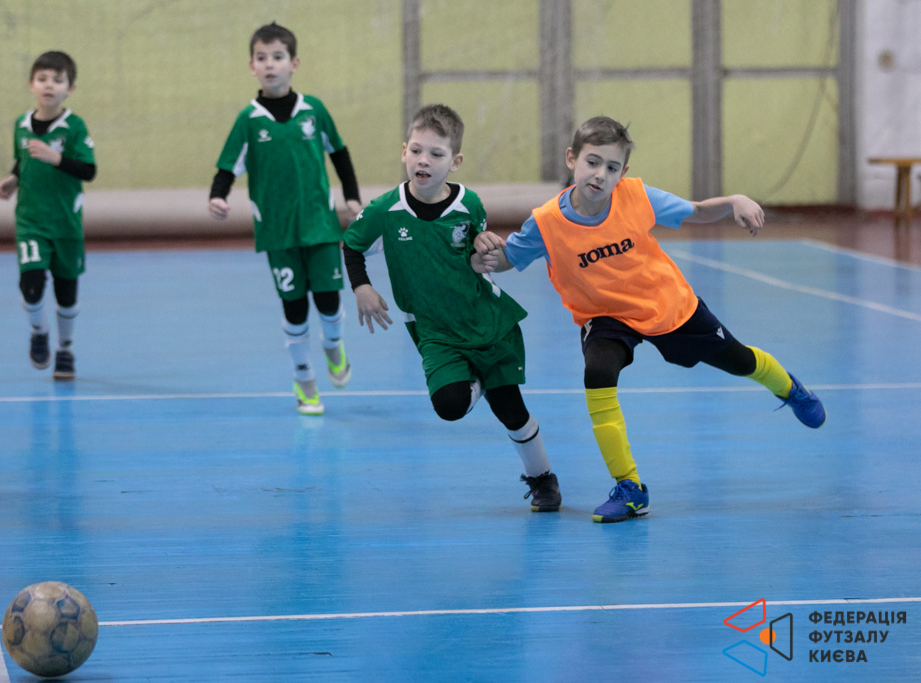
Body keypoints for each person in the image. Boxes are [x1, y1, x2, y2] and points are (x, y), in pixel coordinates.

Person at [474, 115, 825, 523]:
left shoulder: (638, 197)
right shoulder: (546, 222)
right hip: (605, 315)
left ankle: (790, 389)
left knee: (740, 360)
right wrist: (483, 254)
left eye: (611, 167)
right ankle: (630, 488)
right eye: (592, 162)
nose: (600, 174)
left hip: (666, 304)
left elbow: (697, 211)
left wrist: (734, 201)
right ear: (572, 159)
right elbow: (508, 259)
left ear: (623, 173)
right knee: (598, 373)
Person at [343, 104, 561, 512]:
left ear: (455, 162)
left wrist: (483, 247)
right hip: (434, 331)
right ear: (404, 152)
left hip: (484, 321)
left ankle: (543, 479)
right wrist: (362, 287)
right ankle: (478, 381)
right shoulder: (383, 211)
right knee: (449, 406)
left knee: (511, 410)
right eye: (416, 150)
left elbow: (479, 255)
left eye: (436, 153)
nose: (423, 160)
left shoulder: (469, 204)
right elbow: (351, 246)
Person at [209, 22, 361, 415]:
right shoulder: (249, 120)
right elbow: (228, 165)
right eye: (261, 58)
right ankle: (304, 380)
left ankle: (333, 345)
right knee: (294, 307)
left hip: (320, 225)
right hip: (278, 232)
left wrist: (352, 197)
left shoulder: (314, 111)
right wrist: (218, 195)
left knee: (328, 300)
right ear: (252, 67)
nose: (269, 64)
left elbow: (339, 153)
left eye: (277, 57)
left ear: (293, 63)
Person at [0, 51, 96, 381]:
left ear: (70, 88)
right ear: (31, 84)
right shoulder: (21, 126)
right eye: (42, 79)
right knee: (32, 285)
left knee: (67, 295)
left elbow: (89, 170)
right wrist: (14, 179)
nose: (49, 85)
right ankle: (39, 331)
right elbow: (22, 162)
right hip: (31, 223)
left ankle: (65, 349)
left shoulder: (75, 127)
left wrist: (56, 158)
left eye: (57, 80)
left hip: (66, 225)